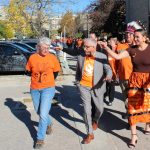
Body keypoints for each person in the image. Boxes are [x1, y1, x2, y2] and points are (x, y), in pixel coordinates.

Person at [99, 28, 150, 148]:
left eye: (137, 37)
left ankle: (148, 125)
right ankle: (134, 136)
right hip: (135, 81)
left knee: (148, 106)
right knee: (132, 108)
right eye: (134, 36)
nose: (135, 39)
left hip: (148, 81)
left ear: (144, 37)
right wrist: (106, 48)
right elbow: (116, 57)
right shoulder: (132, 50)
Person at [57, 38, 112, 144]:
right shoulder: (81, 55)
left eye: (87, 47)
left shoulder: (101, 56)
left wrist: (108, 76)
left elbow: (108, 69)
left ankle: (95, 120)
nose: (84, 48)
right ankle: (90, 133)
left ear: (93, 47)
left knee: (100, 109)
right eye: (84, 46)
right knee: (87, 110)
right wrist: (78, 83)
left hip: (98, 87)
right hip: (83, 86)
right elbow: (73, 54)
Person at [26, 37, 60, 149]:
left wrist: (48, 82)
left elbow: (56, 72)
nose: (46, 50)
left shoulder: (53, 58)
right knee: (38, 111)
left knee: (43, 114)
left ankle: (39, 139)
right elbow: (28, 71)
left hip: (48, 88)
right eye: (44, 47)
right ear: (38, 47)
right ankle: (49, 123)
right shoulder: (32, 57)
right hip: (35, 88)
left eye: (48, 47)